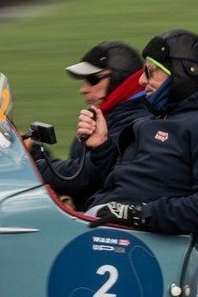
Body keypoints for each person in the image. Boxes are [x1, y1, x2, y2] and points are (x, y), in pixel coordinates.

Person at [73, 28, 198, 235]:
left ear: (184, 71)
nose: (141, 81)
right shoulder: (154, 120)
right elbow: (119, 180)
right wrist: (102, 146)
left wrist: (138, 214)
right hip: (99, 220)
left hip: (132, 236)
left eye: (150, 71)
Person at [30, 39, 146, 188]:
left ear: (119, 79)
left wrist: (35, 166)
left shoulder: (134, 123)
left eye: (92, 79)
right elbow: (76, 167)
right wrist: (35, 152)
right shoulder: (110, 115)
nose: (83, 89)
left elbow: (82, 176)